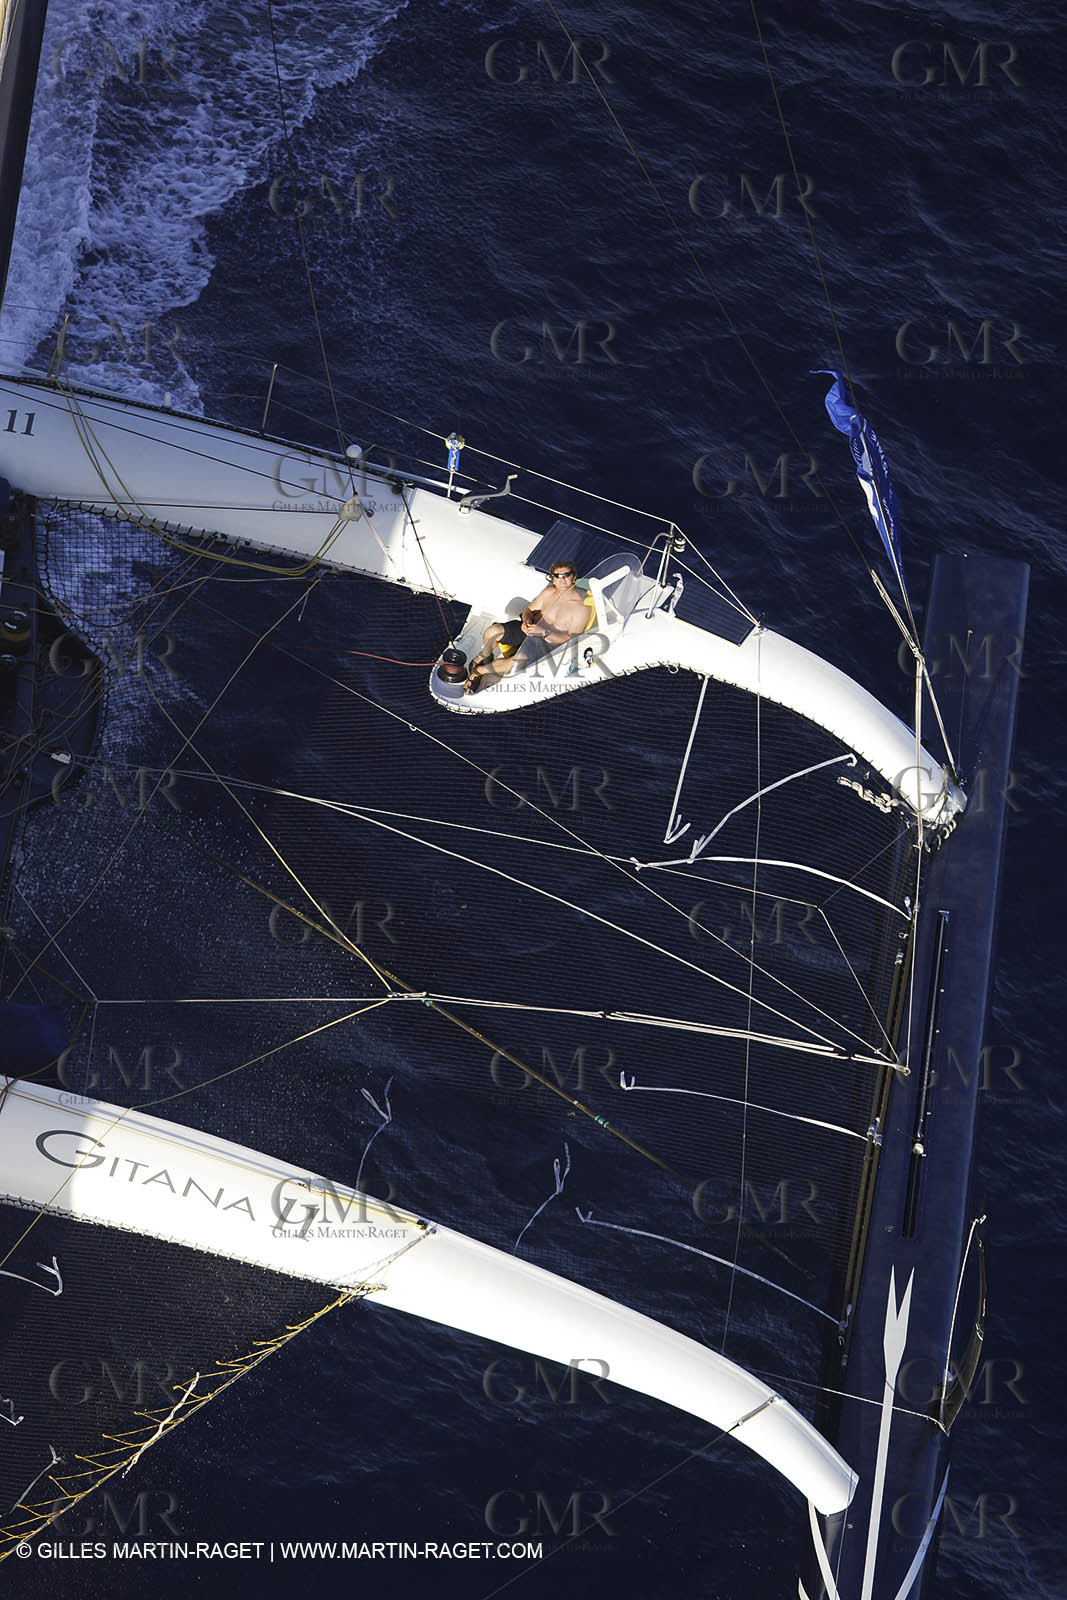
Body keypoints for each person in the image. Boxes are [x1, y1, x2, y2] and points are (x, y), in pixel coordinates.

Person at [465, 564, 594, 693]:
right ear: (553, 579)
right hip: (528, 629)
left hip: (547, 643)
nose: (562, 579)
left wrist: (544, 632)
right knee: (492, 632)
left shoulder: (581, 608)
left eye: (566, 575)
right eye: (557, 576)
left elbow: (571, 639)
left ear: (574, 577)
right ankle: (484, 656)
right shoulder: (548, 592)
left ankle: (479, 671)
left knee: (518, 661)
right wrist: (526, 621)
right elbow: (529, 610)